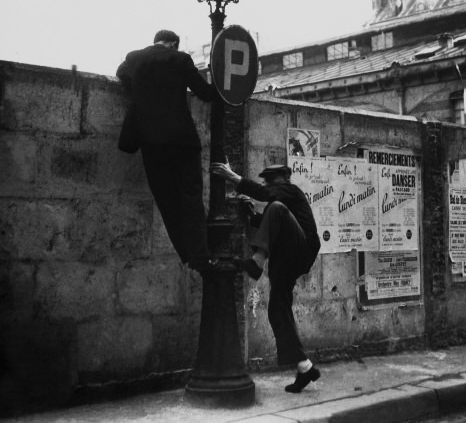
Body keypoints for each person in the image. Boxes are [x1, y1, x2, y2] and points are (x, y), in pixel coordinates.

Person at [210, 161, 321, 393]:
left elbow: (265, 195)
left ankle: (256, 262)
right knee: (277, 310)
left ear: (282, 178)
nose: (266, 183)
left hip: (302, 250)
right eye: (266, 180)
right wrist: (250, 211)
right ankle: (305, 368)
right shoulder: (278, 205)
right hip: (287, 259)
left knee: (276, 207)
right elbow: (266, 224)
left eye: (270, 179)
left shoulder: (290, 191)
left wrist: (234, 177)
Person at [116, 29, 218, 273]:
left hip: (151, 141)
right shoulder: (180, 59)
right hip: (181, 139)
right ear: (173, 43)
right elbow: (204, 93)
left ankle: (187, 256)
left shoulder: (135, 57)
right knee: (191, 198)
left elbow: (121, 74)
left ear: (155, 42)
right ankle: (201, 256)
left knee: (167, 200)